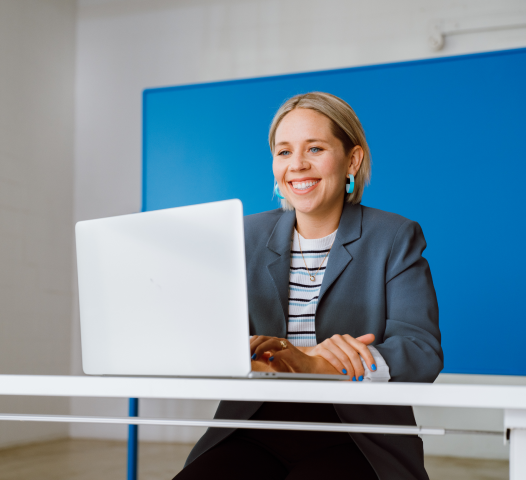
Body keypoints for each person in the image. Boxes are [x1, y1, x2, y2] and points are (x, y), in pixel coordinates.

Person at [173, 92, 443, 480]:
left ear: (352, 160)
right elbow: (209, 331)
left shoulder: (394, 236)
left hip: (355, 433)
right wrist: (236, 350)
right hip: (253, 424)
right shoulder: (243, 235)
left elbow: (420, 350)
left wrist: (318, 363)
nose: (297, 165)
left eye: (315, 148)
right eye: (283, 152)